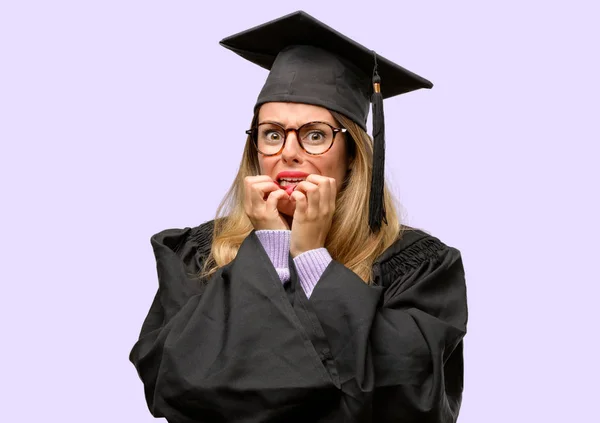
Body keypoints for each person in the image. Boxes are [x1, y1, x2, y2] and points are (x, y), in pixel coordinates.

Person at [129, 10, 468, 423]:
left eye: (314, 134)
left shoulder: (419, 266)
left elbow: (410, 401)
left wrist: (310, 258)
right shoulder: (200, 255)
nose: (289, 151)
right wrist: (272, 247)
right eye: (272, 134)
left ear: (352, 156)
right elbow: (177, 385)